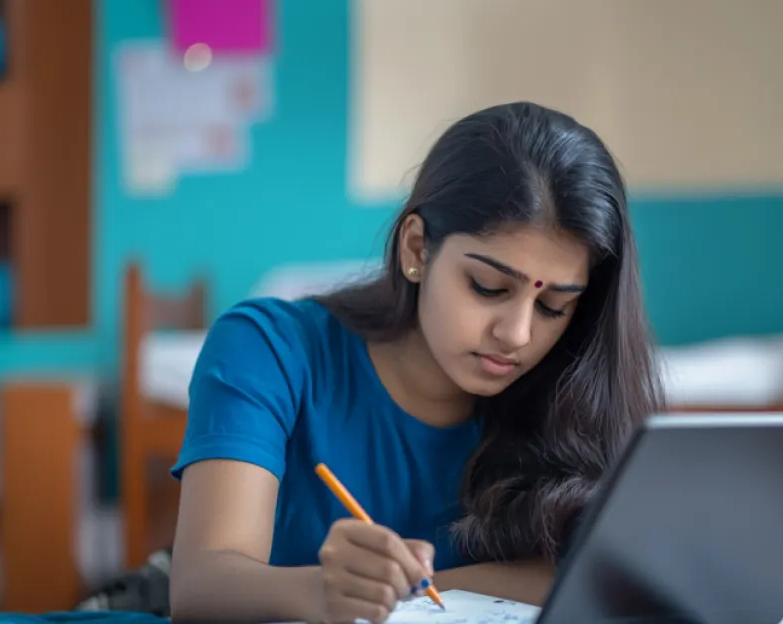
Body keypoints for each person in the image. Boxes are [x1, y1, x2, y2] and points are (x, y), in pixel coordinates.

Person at [167, 101, 663, 624]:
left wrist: (408, 592)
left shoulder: (570, 395)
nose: (516, 334)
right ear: (418, 247)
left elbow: (601, 576)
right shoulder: (271, 349)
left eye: (552, 306)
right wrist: (321, 591)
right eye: (488, 287)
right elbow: (202, 585)